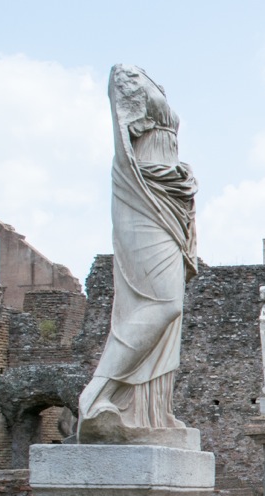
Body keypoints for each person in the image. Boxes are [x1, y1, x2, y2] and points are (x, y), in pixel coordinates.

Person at [78, 64, 197, 434]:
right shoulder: (126, 74)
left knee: (171, 311)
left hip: (169, 191)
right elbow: (124, 136)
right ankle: (95, 394)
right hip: (142, 191)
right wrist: (148, 174)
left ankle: (149, 412)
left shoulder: (152, 80)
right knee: (164, 304)